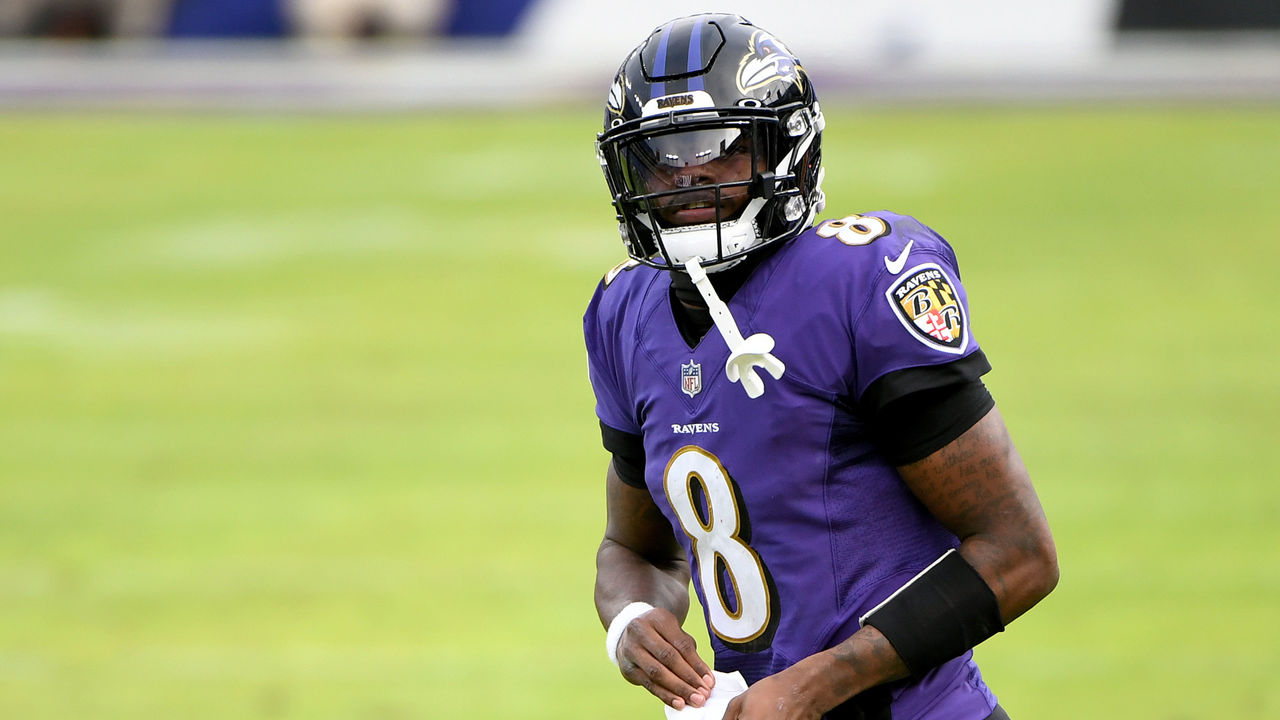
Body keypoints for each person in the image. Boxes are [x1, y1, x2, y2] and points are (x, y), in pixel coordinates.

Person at [583, 13, 1058, 720]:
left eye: (720, 146)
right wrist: (631, 621)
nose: (688, 176)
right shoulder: (624, 310)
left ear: (787, 150)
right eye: (661, 155)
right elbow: (636, 548)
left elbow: (1020, 554)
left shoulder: (858, 280)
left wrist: (816, 685)